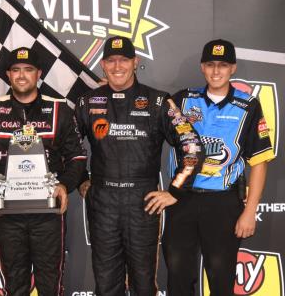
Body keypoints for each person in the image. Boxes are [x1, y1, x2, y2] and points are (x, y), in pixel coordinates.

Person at [75, 36, 203, 296]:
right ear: (103, 65)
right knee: (106, 284)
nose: (117, 66)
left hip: (143, 200)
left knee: (144, 284)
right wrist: (80, 179)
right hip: (102, 201)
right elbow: (68, 148)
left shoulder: (158, 101)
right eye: (111, 61)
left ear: (135, 62)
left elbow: (192, 146)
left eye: (124, 60)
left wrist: (175, 190)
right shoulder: (87, 102)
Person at [150, 39, 275, 296]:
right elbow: (142, 112)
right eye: (210, 64)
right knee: (178, 278)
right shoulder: (182, 100)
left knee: (221, 280)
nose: (216, 71)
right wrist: (115, 91)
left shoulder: (248, 106)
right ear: (202, 67)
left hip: (224, 203)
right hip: (181, 200)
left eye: (223, 65)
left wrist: (250, 210)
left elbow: (260, 162)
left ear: (233, 68)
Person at [0, 47, 87, 295]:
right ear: (8, 75)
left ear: (39, 74)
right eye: (16, 70)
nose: (22, 75)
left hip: (48, 213)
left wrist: (64, 185)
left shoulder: (59, 110)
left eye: (28, 69)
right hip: (7, 213)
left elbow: (77, 157)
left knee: (50, 285)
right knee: (14, 285)